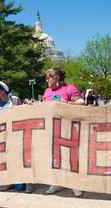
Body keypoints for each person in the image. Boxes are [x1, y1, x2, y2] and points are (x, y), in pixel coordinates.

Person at [42, 68, 84, 197]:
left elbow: (81, 103)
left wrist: (65, 102)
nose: (46, 80)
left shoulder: (69, 88)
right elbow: (44, 106)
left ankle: (74, 183)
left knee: (70, 156)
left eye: (48, 77)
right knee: (55, 156)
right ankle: (56, 182)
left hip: (68, 127)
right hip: (52, 128)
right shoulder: (47, 91)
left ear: (57, 78)